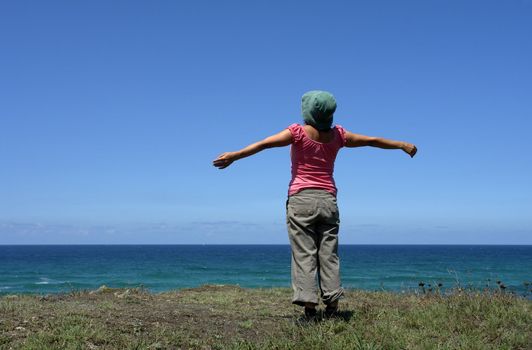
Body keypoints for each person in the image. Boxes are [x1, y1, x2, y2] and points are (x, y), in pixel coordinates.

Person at [213, 90, 417, 320]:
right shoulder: (339, 135)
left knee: (304, 253)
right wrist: (402, 144)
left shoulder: (297, 133)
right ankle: (332, 306)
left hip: (301, 199)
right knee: (328, 253)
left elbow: (264, 145)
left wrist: (234, 155)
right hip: (328, 200)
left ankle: (309, 307)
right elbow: (372, 141)